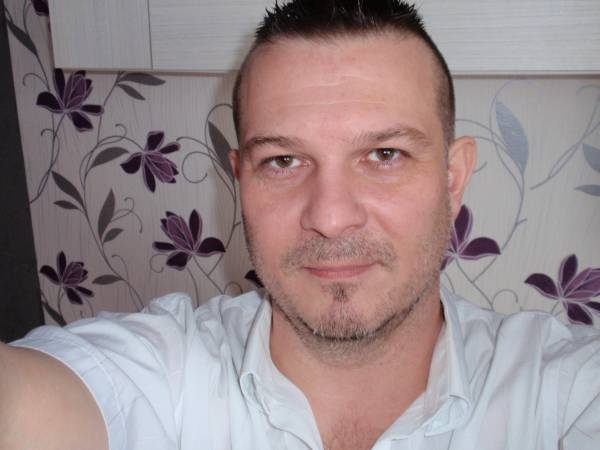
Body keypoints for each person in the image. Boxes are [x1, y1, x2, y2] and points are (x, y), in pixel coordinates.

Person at [1, 0, 599, 449]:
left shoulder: (562, 392)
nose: (331, 217)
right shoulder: (162, 373)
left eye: (384, 155)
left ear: (452, 178)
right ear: (240, 181)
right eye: (283, 161)